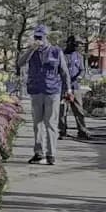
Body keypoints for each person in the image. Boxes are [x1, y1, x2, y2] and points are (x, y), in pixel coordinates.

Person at [17, 25, 71, 165]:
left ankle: (51, 154)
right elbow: (20, 63)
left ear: (46, 37)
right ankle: (38, 153)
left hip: (52, 91)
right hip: (36, 90)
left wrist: (68, 89)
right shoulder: (31, 52)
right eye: (36, 37)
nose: (38, 39)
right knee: (37, 124)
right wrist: (30, 49)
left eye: (40, 37)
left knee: (51, 124)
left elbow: (64, 72)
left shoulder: (56, 51)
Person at [60, 35, 90, 140]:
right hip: (63, 87)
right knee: (62, 110)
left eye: (77, 44)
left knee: (78, 110)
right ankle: (62, 131)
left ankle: (82, 131)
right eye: (74, 44)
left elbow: (82, 69)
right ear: (68, 43)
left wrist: (79, 77)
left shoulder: (78, 56)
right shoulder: (61, 55)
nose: (76, 46)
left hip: (75, 86)